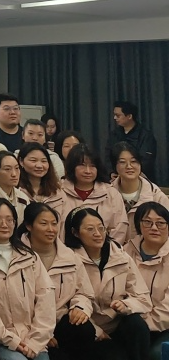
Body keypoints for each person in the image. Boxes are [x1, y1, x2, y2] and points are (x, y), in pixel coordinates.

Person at [65, 207, 151, 360]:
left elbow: (143, 298)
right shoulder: (68, 260)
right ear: (75, 233)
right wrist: (96, 331)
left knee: (136, 324)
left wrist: (126, 305)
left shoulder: (120, 256)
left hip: (117, 324)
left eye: (101, 228)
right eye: (90, 229)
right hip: (88, 328)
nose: (98, 234)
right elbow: (65, 304)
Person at [0, 197, 55, 360]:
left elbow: (46, 299)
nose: (4, 225)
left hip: (31, 339)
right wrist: (11, 340)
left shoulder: (29, 256)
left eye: (9, 219)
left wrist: (35, 341)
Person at [19, 203, 96, 360]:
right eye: (44, 224)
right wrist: (41, 334)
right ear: (28, 226)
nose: (51, 229)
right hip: (28, 326)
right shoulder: (16, 257)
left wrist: (79, 307)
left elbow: (84, 292)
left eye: (54, 224)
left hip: (59, 321)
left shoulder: (69, 256)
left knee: (84, 329)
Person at [123, 202, 169, 360]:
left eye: (161, 223)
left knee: (155, 354)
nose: (154, 228)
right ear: (138, 225)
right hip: (130, 322)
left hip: (164, 326)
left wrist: (144, 326)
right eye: (148, 222)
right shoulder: (123, 252)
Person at [59, 144, 128, 244]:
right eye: (82, 165)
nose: (88, 171)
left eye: (92, 166)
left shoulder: (111, 193)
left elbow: (119, 230)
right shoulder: (58, 192)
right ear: (72, 167)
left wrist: (105, 250)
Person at [110, 142, 169, 242]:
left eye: (133, 161)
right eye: (122, 162)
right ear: (115, 166)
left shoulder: (156, 196)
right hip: (113, 250)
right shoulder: (106, 195)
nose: (129, 166)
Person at [108, 101, 159, 185]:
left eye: (118, 115)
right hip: (117, 179)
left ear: (129, 116)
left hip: (140, 179)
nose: (115, 118)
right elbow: (108, 155)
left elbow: (147, 160)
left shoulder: (145, 135)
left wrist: (130, 172)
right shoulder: (114, 134)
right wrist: (111, 172)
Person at [17, 143, 65, 214]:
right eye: (33, 160)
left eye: (44, 161)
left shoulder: (58, 191)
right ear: (21, 161)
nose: (39, 166)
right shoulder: (16, 191)